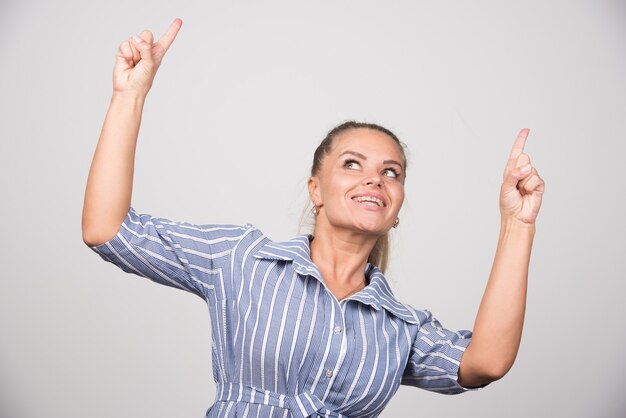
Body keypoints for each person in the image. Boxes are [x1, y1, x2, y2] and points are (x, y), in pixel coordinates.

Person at [82, 18, 545, 418]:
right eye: (351, 164)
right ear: (315, 191)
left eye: (391, 172)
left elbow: (485, 362)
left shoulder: (400, 327)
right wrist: (130, 95)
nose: (374, 180)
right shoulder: (242, 259)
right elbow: (108, 230)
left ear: (397, 207)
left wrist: (517, 223)